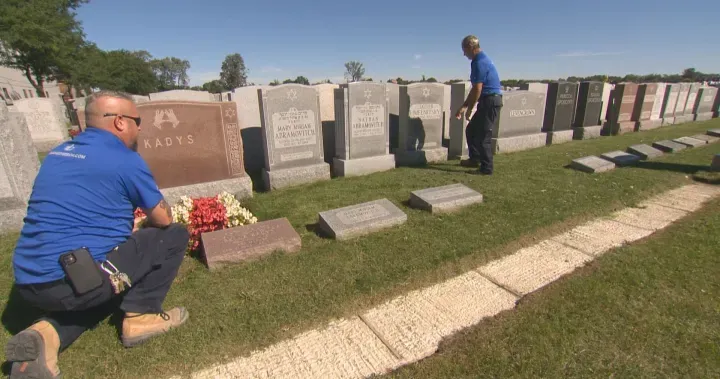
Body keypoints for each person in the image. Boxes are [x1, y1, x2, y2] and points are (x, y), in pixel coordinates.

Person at [5, 90, 190, 379]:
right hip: (77, 279)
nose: (139, 127)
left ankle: (43, 335)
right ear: (119, 122)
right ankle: (141, 317)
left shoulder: (57, 153)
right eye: (136, 120)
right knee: (173, 234)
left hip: (30, 284)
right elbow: (162, 217)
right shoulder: (124, 158)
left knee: (98, 294)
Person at [454, 35, 503, 175]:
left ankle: (486, 168)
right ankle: (474, 158)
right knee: (471, 130)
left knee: (483, 137)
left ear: (471, 47)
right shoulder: (480, 59)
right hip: (488, 101)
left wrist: (469, 109)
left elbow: (478, 89)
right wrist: (464, 106)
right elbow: (475, 88)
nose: (464, 54)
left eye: (464, 50)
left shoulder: (479, 62)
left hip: (491, 101)